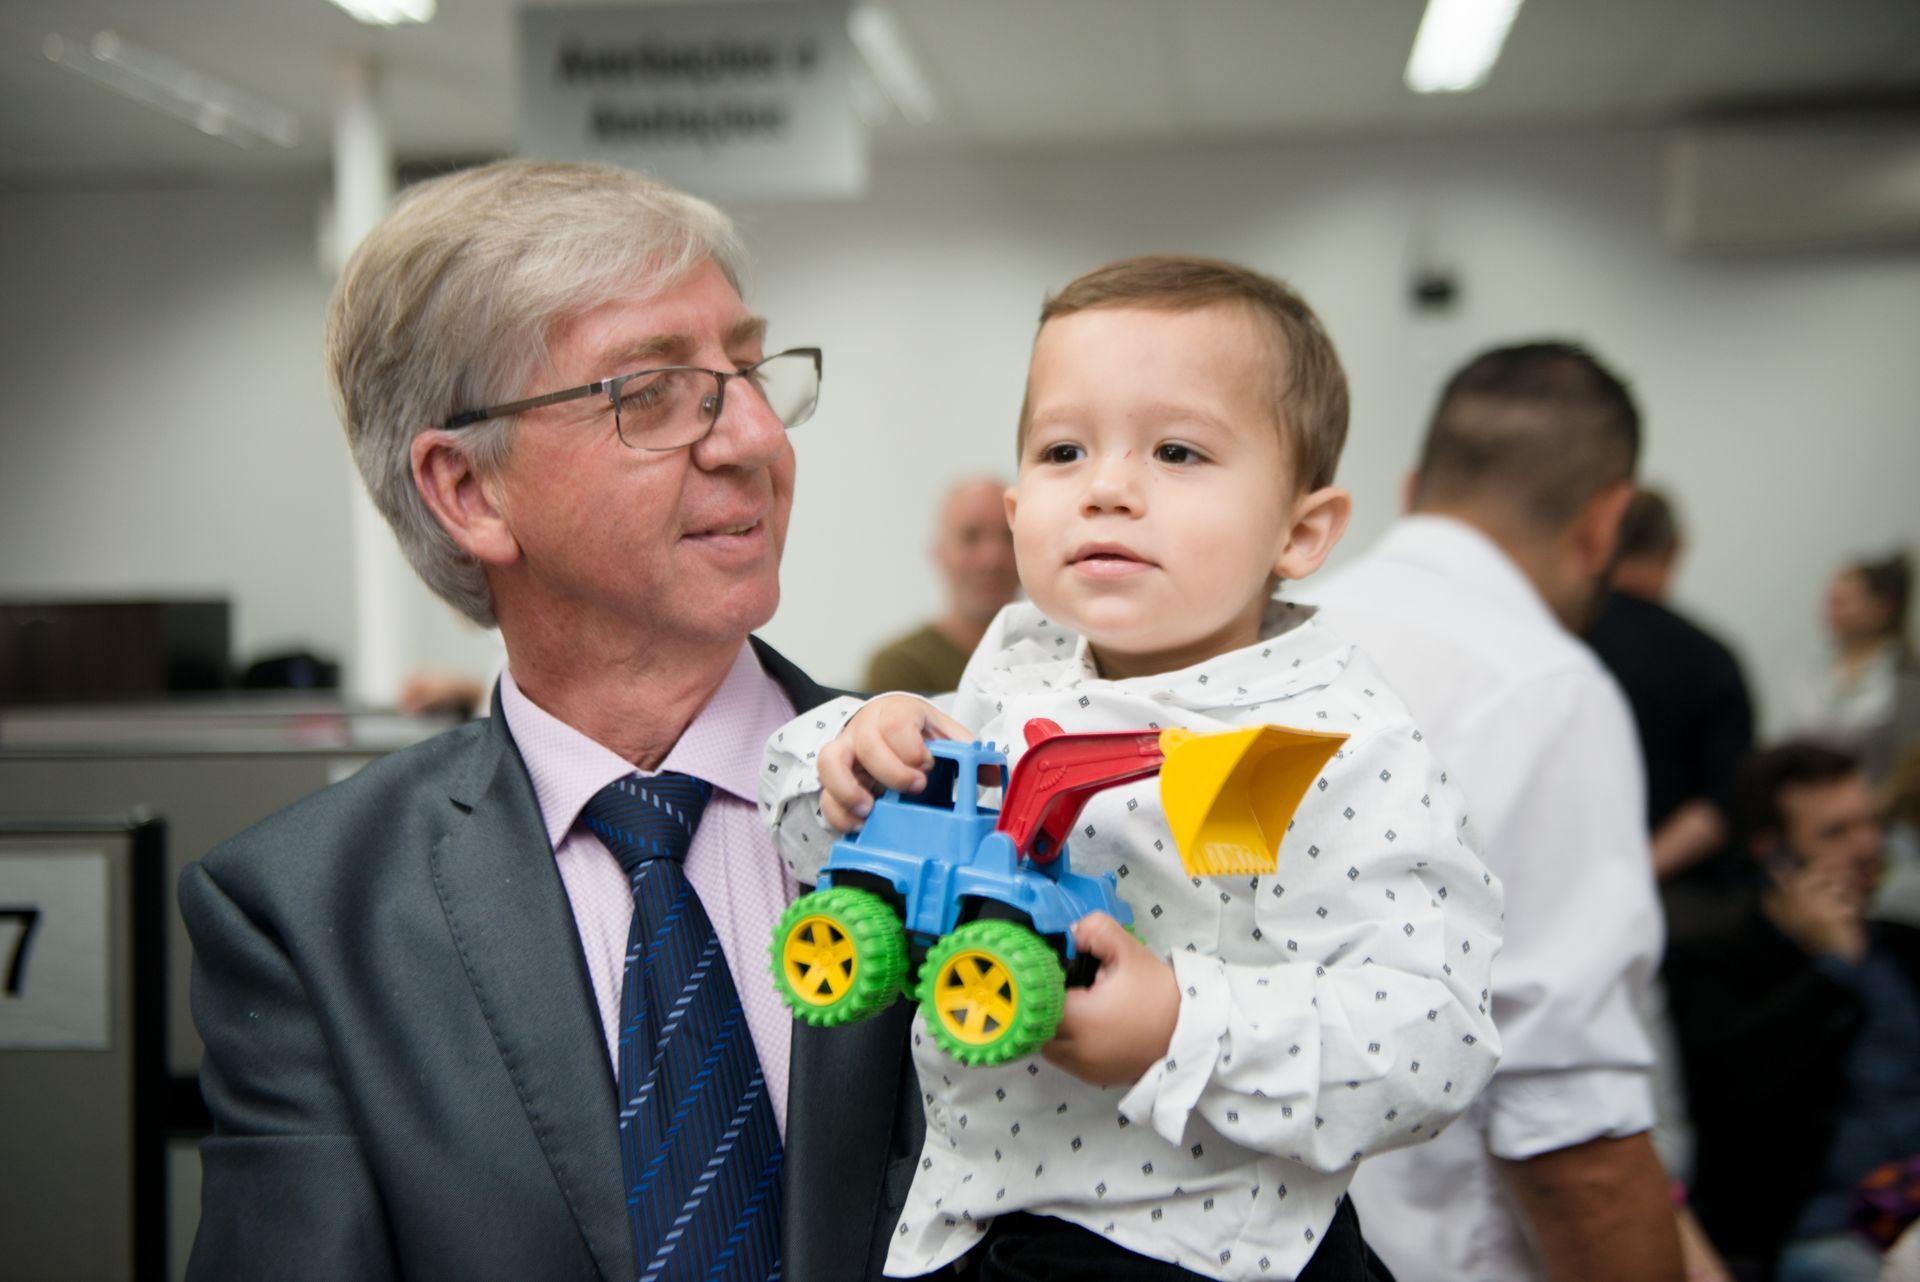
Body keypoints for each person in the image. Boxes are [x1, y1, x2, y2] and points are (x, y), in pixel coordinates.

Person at [178, 160, 925, 1281]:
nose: (757, 438)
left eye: (748, 366)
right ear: (469, 491)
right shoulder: (308, 915)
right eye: (652, 392)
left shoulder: (958, 794)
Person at [763, 255, 1505, 1280]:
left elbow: (1430, 1044)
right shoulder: (1014, 671)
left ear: (1301, 531)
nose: (1109, 487)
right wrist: (852, 754)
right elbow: (815, 844)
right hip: (966, 1230)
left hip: (1201, 1252)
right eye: (1065, 449)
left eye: (1178, 450)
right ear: (1021, 510)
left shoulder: (1306, 744)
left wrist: (1179, 1024)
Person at [1305, 343, 1685, 1282]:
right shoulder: (1543, 689)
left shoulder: (1269, 638)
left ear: (1409, 488)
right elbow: (1571, 1135)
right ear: (1606, 525)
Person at [1663, 742, 1920, 1282]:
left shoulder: (1903, 947)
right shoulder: (1711, 962)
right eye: (1837, 833)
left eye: (1870, 825)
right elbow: (1736, 1100)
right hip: (1815, 1230)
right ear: (1772, 853)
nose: (1868, 846)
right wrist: (1832, 971)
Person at [1586, 488, 1754, 884]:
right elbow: (1723, 803)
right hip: (1676, 903)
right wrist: (1633, 878)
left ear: (1598, 542)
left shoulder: (1555, 642)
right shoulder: (1710, 659)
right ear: (1676, 546)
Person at [863, 476, 1022, 693]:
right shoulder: (902, 666)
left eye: (1008, 536)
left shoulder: (1069, 653)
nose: (992, 558)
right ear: (939, 552)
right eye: (970, 537)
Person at [1790, 552, 1920, 785]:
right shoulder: (1812, 670)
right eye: (1829, 601)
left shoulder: (1908, 679)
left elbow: (1909, 765)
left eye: (1842, 602)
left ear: (1882, 608)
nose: (1830, 611)